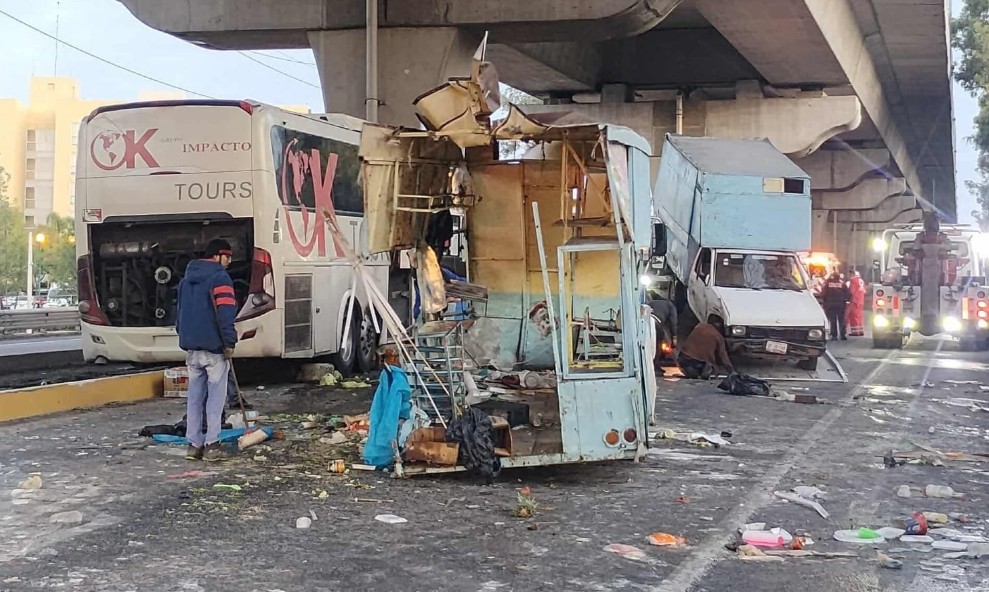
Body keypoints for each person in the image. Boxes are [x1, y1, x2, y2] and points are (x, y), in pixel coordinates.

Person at [176, 239, 239, 461]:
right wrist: (230, 342)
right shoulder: (220, 278)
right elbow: (226, 313)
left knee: (194, 397)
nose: (229, 262)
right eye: (227, 257)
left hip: (191, 348)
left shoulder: (186, 280)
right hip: (214, 349)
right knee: (215, 398)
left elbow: (180, 313)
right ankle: (212, 444)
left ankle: (193, 445)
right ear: (216, 256)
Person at [820, 270, 851, 341]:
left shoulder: (828, 284)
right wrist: (846, 300)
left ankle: (834, 336)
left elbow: (823, 294)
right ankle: (843, 335)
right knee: (842, 320)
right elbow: (848, 294)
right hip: (841, 305)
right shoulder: (842, 283)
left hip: (830, 305)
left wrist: (824, 300)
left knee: (832, 320)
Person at [846, 271, 866, 337]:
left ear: (852, 274)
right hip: (861, 300)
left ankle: (855, 332)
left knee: (853, 317)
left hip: (854, 301)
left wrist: (847, 298)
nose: (849, 276)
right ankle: (860, 331)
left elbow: (851, 291)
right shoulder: (861, 280)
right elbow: (864, 291)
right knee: (859, 316)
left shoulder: (853, 280)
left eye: (849, 274)